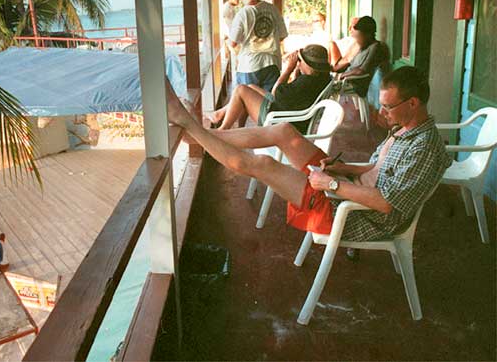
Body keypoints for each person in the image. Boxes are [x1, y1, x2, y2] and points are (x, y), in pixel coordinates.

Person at [167, 66, 451, 242]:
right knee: (283, 132)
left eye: (387, 107)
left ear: (413, 103)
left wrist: (332, 184)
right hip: (346, 188)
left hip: (354, 213)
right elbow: (376, 168)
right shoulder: (403, 128)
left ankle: (190, 127)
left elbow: (388, 204)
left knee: (262, 164)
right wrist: (342, 170)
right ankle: (200, 133)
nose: (382, 112)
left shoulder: (423, 147)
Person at [207, 44, 332, 132]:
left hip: (281, 121)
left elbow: (276, 92)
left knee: (241, 90)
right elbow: (290, 94)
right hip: (290, 113)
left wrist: (288, 69)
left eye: (300, 60)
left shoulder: (306, 81)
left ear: (308, 64)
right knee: (250, 87)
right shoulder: (322, 78)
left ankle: (223, 130)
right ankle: (222, 117)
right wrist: (297, 72)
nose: (298, 63)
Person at [229, 0, 288, 93]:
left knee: (247, 104)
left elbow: (233, 42)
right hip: (272, 63)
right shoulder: (273, 9)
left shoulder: (242, 14)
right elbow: (282, 36)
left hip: (249, 65)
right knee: (268, 104)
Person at [336, 15, 390, 98]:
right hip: (348, 80)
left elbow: (362, 70)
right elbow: (352, 64)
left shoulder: (375, 47)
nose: (357, 40)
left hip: (355, 84)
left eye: (359, 36)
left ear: (368, 35)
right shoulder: (363, 46)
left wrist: (343, 75)